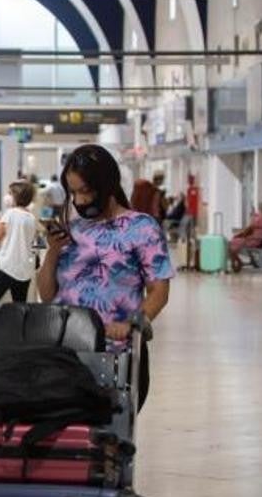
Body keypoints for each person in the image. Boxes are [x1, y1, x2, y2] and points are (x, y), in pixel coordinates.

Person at [36, 144, 172, 409]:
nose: (80, 200)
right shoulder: (72, 230)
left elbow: (159, 292)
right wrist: (53, 252)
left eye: (85, 191)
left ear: (107, 184)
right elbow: (47, 296)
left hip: (117, 353)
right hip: (66, 351)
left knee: (111, 436)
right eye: (73, 192)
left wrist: (134, 323)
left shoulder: (142, 228)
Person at [0, 181, 43, 311]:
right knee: (19, 309)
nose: (7, 196)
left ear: (16, 196)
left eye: (9, 193)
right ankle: (19, 331)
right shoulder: (31, 217)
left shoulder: (10, 214)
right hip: (24, 269)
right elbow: (14, 225)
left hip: (7, 267)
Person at [230, 202, 262, 273]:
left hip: (255, 240)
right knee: (233, 242)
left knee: (233, 243)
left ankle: (237, 262)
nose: (259, 210)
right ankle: (237, 262)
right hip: (252, 238)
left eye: (260, 208)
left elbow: (253, 224)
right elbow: (253, 225)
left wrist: (253, 216)